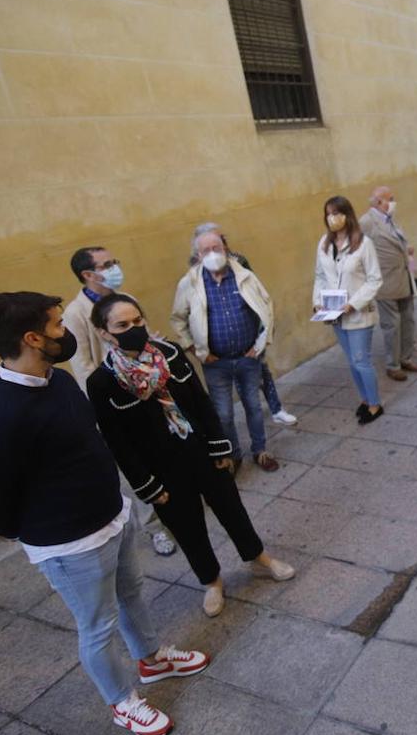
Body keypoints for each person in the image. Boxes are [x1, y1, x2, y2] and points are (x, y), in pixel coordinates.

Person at [0, 292, 209, 735]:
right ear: (33, 338)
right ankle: (122, 702)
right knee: (98, 625)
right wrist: (35, 528)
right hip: (70, 545)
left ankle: (151, 658)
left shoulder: (55, 381)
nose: (67, 332)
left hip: (111, 518)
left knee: (132, 593)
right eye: (58, 325)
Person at [88, 294, 294, 618]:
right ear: (103, 332)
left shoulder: (169, 354)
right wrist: (147, 486)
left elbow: (201, 401)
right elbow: (118, 442)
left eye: (137, 321)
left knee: (232, 509)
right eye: (122, 325)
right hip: (162, 469)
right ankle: (211, 581)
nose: (133, 329)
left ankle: (258, 558)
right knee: (187, 528)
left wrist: (219, 447)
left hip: (200, 452)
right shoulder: (102, 382)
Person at [62, 246, 177, 558]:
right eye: (107, 264)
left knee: (164, 447)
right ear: (88, 274)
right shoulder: (74, 314)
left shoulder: (125, 299)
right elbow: (83, 367)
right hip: (118, 398)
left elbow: (144, 335)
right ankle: (155, 528)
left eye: (115, 261)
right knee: (136, 462)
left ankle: (176, 505)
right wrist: (113, 392)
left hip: (151, 389)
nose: (115, 267)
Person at [171, 232, 282, 473]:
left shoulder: (245, 276)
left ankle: (260, 450)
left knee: (253, 406)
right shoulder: (189, 283)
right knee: (223, 414)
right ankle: (234, 454)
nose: (212, 253)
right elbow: (178, 319)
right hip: (215, 363)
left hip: (247, 357)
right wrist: (195, 350)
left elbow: (268, 308)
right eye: (206, 250)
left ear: (225, 248)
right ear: (198, 255)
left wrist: (260, 344)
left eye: (217, 247)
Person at [189, 222, 298, 429]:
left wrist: (261, 334)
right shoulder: (194, 270)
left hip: (249, 330)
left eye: (221, 240)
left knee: (261, 371)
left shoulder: (238, 260)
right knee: (234, 387)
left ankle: (276, 409)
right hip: (219, 346)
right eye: (209, 244)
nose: (220, 245)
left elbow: (254, 290)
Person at [314, 196, 385, 424]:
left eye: (336, 213)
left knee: (361, 360)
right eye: (328, 214)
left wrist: (352, 304)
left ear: (347, 214)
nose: (332, 218)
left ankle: (375, 404)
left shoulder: (364, 244)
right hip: (334, 315)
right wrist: (317, 301)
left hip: (358, 314)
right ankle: (364, 399)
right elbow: (320, 276)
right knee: (352, 361)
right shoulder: (324, 243)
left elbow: (374, 279)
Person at [360, 186, 417, 382]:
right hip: (385, 281)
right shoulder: (367, 222)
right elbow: (361, 251)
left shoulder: (390, 219)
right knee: (391, 325)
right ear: (380, 202)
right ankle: (392, 364)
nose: (393, 202)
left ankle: (406, 357)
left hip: (403, 277)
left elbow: (396, 241)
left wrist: (406, 249)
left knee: (408, 320)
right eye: (390, 199)